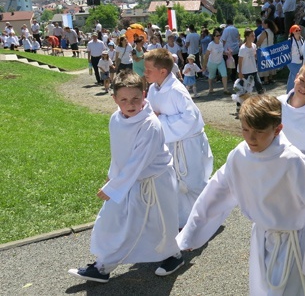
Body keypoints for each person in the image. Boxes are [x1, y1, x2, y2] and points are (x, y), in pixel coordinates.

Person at [177, 94, 305, 295]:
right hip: (262, 237)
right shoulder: (240, 155)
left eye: (259, 132)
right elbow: (216, 191)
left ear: (278, 129)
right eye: (245, 129)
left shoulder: (294, 162)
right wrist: (192, 233)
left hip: (293, 242)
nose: (251, 138)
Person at [68, 70, 184, 283]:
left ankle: (172, 254)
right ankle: (103, 264)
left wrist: (114, 187)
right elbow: (120, 153)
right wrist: (111, 176)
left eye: (135, 99)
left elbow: (138, 162)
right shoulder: (116, 119)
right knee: (113, 219)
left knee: (157, 221)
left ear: (144, 94)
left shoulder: (150, 124)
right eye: (124, 100)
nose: (130, 104)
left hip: (154, 182)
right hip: (127, 181)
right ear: (114, 99)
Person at [144, 49, 214, 228]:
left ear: (163, 72)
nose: (145, 73)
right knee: (176, 183)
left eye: (148, 69)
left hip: (188, 143)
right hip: (171, 143)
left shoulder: (176, 91)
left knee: (193, 182)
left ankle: (208, 218)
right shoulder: (153, 88)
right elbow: (150, 111)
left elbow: (190, 118)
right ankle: (184, 219)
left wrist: (160, 119)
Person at [238, 28, 264, 94]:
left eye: (254, 35)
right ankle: (239, 101)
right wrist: (240, 72)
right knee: (244, 89)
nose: (254, 37)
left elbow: (255, 57)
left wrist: (258, 55)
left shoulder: (254, 46)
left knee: (259, 85)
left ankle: (262, 100)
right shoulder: (243, 48)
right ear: (247, 37)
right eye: (252, 35)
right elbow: (240, 61)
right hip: (245, 71)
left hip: (253, 70)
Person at [204, 28, 231, 95]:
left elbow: (221, 52)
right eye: (217, 35)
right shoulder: (211, 44)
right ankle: (210, 88)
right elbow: (207, 54)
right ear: (213, 37)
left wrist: (226, 53)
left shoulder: (221, 43)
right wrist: (204, 65)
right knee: (211, 76)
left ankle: (225, 89)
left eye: (219, 35)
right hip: (212, 62)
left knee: (224, 74)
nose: (219, 37)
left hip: (220, 61)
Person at [287, 24, 304, 93]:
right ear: (292, 32)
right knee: (298, 76)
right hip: (292, 62)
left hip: (300, 62)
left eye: (299, 30)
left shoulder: (302, 40)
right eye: (296, 30)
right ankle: (295, 92)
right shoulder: (290, 40)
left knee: (292, 77)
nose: (298, 31)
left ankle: (288, 92)